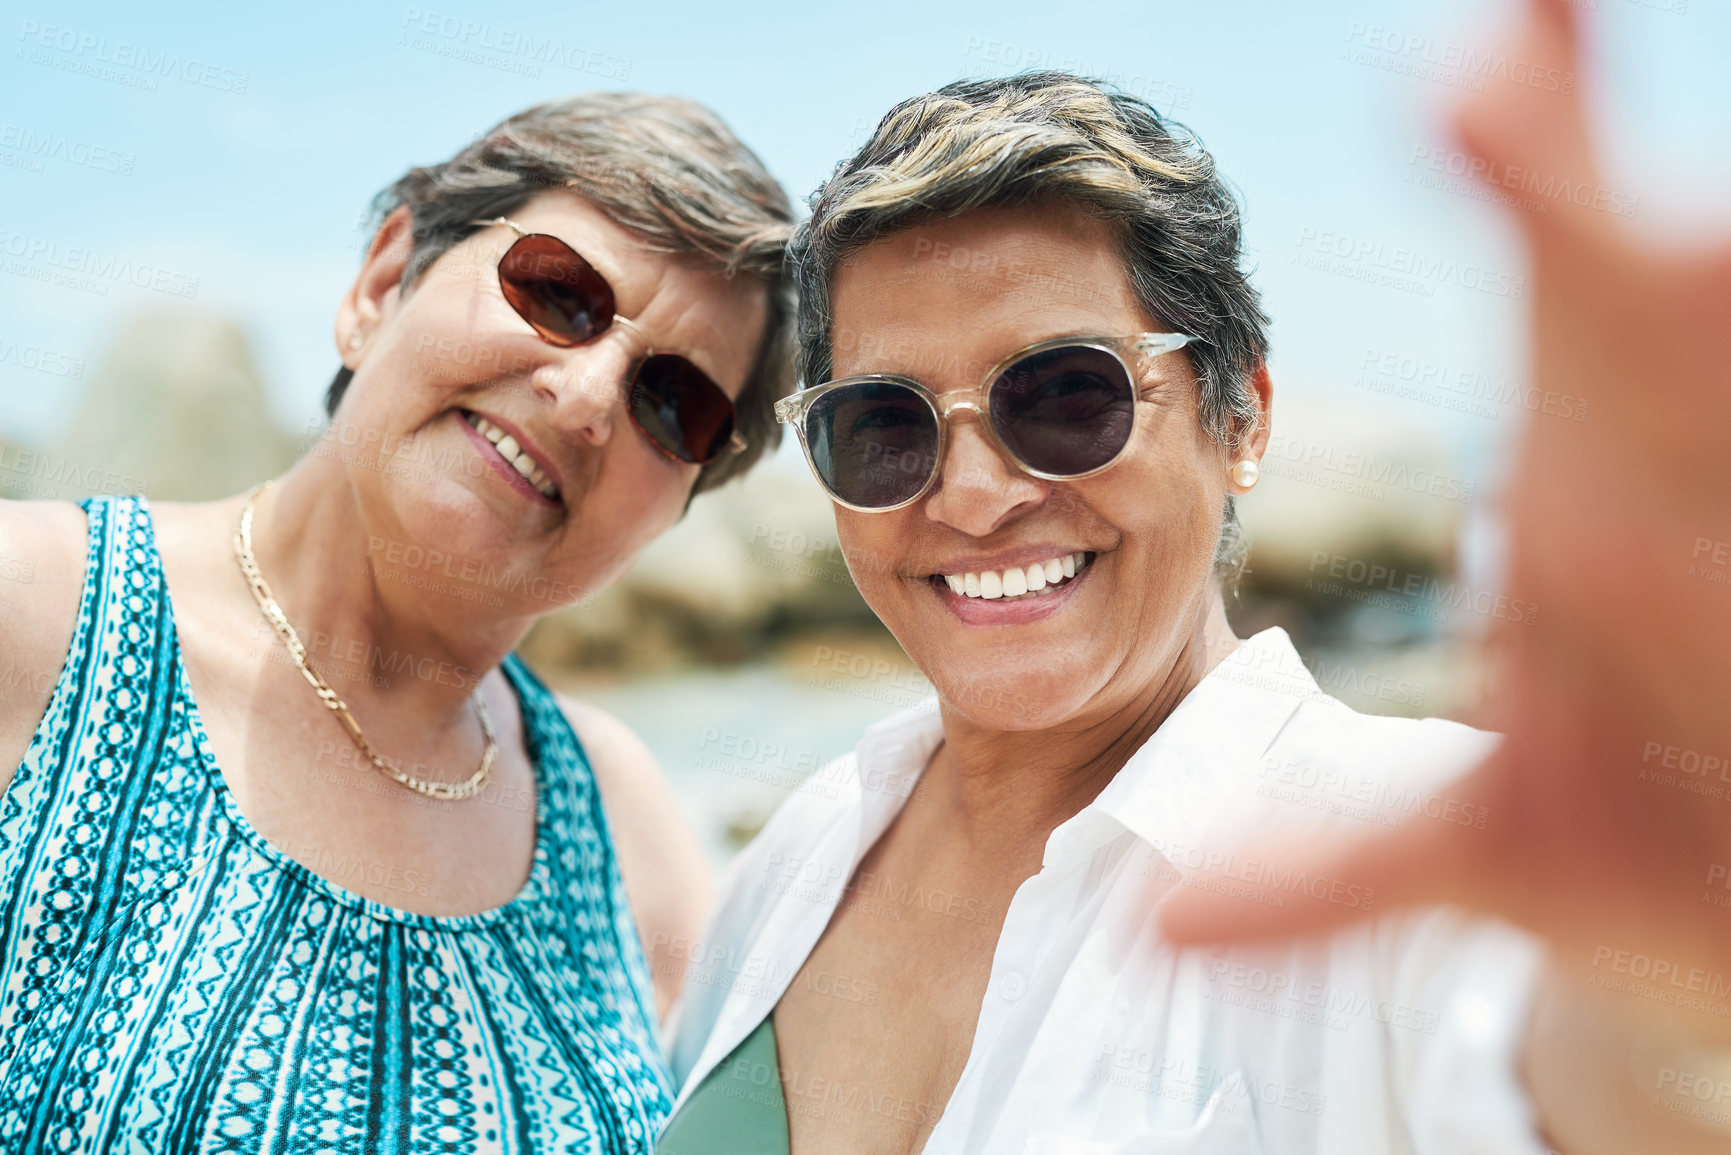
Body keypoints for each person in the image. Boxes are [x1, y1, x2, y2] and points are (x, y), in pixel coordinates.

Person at [660, 9, 1731, 1147]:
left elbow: (1590, 1069)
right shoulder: (805, 847)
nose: (973, 496)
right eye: (883, 423)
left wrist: (1673, 995)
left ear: (1244, 419)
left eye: (1067, 396)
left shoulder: (1396, 855)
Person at [0, 92, 793, 1152]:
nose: (588, 395)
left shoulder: (618, 818)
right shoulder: (36, 619)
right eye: (559, 294)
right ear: (382, 284)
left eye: (673, 402)